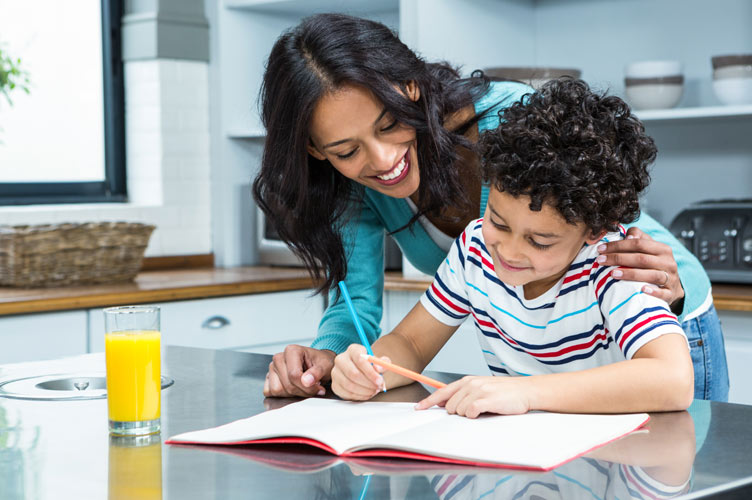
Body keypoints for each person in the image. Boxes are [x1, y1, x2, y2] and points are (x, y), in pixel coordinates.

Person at [253, 13, 728, 401]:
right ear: (317, 151)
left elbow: (665, 376)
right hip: (549, 358)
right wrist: (336, 365)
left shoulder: (518, 135)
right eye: (345, 150)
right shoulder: (479, 247)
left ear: (410, 88)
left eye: (388, 124)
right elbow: (374, 316)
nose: (381, 161)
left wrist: (526, 393)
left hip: (654, 302)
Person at [331, 78, 694, 416]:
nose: (508, 251)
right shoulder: (474, 249)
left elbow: (673, 380)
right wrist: (370, 366)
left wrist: (525, 392)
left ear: (594, 231)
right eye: (499, 223)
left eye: (539, 240)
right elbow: (410, 342)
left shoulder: (613, 267)